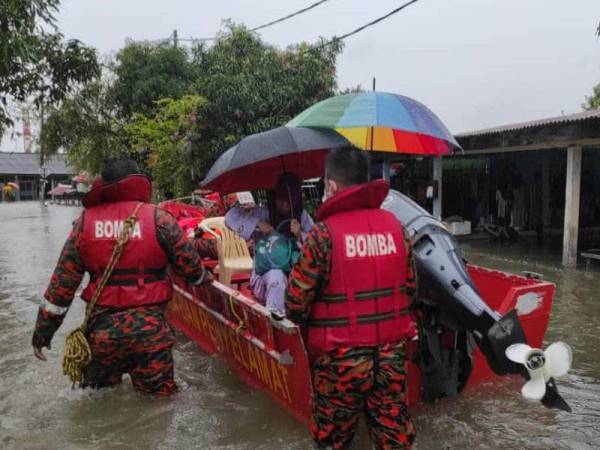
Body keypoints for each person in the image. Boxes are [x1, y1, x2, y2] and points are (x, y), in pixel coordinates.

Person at [31, 157, 211, 395]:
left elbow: (60, 289)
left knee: (98, 402)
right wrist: (205, 278)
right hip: (151, 336)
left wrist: (42, 334)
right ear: (139, 182)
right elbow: (192, 271)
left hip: (102, 336)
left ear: (103, 184)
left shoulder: (84, 224)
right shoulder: (159, 219)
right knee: (159, 404)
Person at [286, 146, 417, 449]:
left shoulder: (322, 235)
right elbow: (411, 291)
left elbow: (294, 305)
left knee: (332, 442)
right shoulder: (398, 229)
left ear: (331, 185)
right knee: (395, 442)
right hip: (391, 358)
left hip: (340, 362)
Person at [225, 173, 313, 315]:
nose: (284, 205)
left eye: (288, 201)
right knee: (276, 276)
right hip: (265, 279)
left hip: (296, 278)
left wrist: (300, 234)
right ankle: (275, 322)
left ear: (296, 200)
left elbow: (315, 245)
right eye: (280, 200)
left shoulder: (302, 217)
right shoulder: (263, 212)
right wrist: (257, 223)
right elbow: (230, 218)